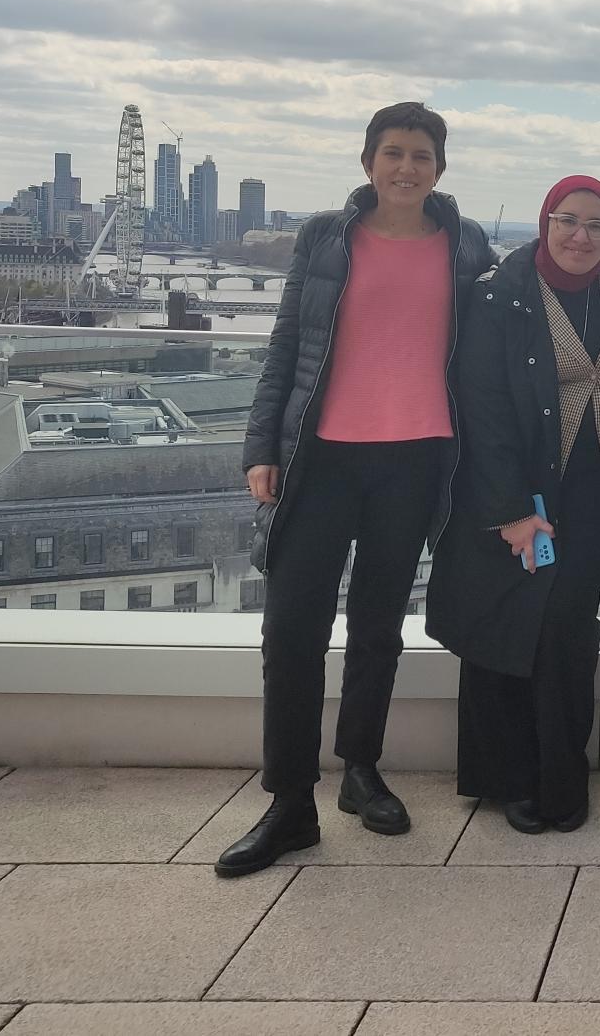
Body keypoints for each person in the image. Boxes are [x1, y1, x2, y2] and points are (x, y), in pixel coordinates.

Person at [221, 102, 493, 876]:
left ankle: (361, 773)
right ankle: (289, 802)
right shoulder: (324, 237)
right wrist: (260, 446)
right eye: (393, 152)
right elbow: (286, 346)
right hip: (321, 458)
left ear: (440, 167)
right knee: (291, 632)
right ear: (368, 160)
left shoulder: (465, 244)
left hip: (416, 460)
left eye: (422, 156)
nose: (406, 167)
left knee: (378, 626)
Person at [425, 175, 600, 833]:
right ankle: (508, 780)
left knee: (566, 630)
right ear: (544, 222)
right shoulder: (500, 296)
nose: (581, 237)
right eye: (568, 221)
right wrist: (510, 511)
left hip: (597, 488)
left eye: (597, 225)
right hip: (517, 490)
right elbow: (484, 408)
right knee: (506, 628)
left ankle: (562, 776)